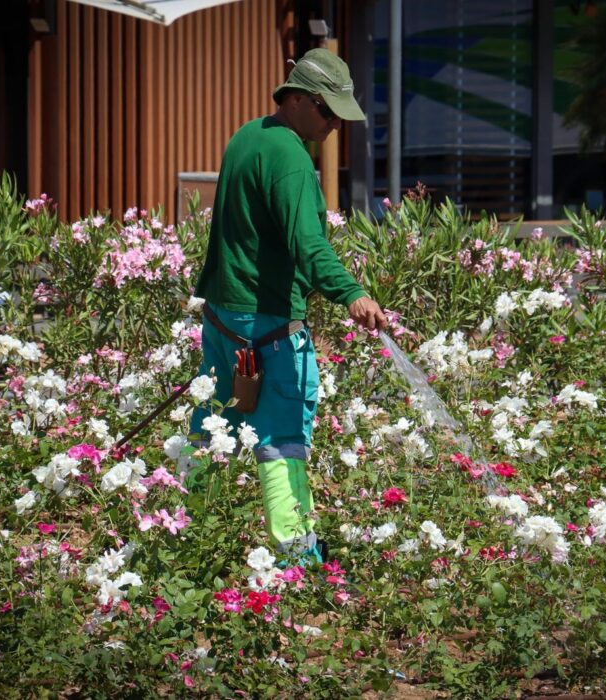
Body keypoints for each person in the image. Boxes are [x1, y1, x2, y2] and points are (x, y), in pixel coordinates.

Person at [190, 48, 387, 564]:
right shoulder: (293, 161)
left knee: (216, 424)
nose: (333, 126)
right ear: (297, 98)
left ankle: (183, 534)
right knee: (282, 439)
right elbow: (309, 244)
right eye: (328, 112)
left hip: (223, 316)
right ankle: (297, 560)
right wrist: (352, 293)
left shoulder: (247, 137)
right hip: (270, 323)